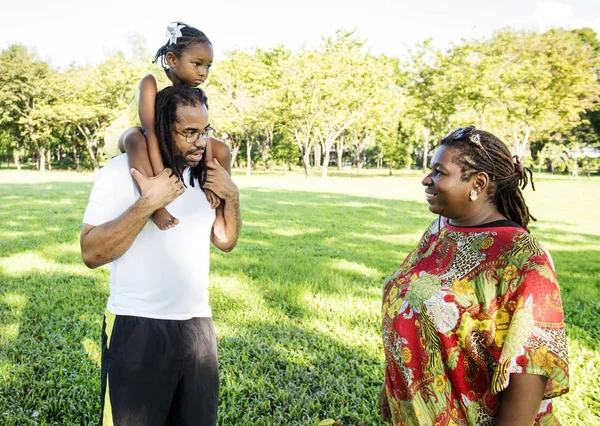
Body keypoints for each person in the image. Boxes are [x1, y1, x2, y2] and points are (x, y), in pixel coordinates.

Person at [379, 126, 569, 425]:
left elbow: (532, 365)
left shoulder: (523, 257)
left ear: (478, 183)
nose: (426, 180)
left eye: (440, 172)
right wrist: (393, 385)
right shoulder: (440, 231)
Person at [81, 85, 241, 425]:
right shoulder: (119, 172)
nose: (201, 142)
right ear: (162, 129)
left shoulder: (206, 174)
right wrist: (148, 203)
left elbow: (226, 241)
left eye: (205, 131)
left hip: (198, 327)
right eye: (189, 133)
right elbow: (91, 252)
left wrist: (232, 197)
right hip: (136, 327)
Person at [103, 21, 229, 230]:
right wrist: (164, 179)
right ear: (172, 60)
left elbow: (202, 133)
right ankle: (155, 204)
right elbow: (150, 131)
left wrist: (207, 175)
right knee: (137, 138)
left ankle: (222, 214)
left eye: (207, 66)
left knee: (219, 146)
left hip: (164, 137)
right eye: (197, 64)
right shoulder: (151, 82)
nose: (203, 72)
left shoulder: (194, 94)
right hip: (135, 133)